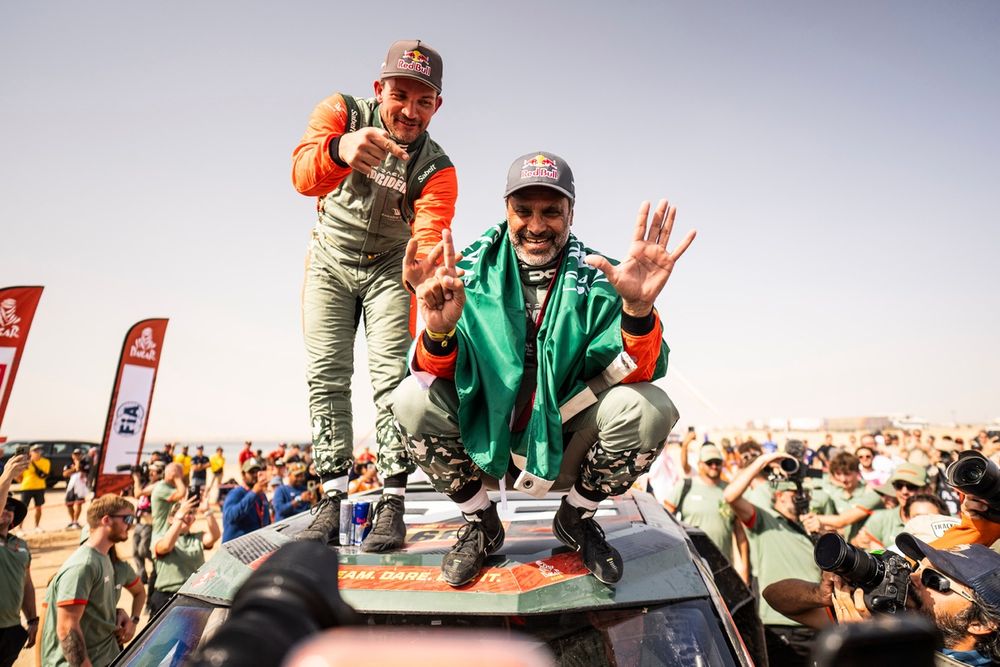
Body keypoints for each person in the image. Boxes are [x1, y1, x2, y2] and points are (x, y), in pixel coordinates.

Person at [391, 151, 691, 586]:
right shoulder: (463, 273)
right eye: (523, 211)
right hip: (484, 448)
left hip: (568, 447)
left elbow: (640, 368)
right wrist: (437, 332)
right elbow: (426, 372)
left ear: (571, 213)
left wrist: (639, 309)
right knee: (410, 397)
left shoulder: (602, 276)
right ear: (506, 210)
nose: (536, 226)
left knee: (651, 408)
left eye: (551, 211)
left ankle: (576, 518)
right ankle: (480, 524)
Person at [292, 39, 457, 552]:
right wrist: (338, 150)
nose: (409, 111)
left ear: (437, 105)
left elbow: (431, 233)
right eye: (400, 95)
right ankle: (330, 497)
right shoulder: (339, 112)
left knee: (392, 378)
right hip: (329, 260)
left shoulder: (437, 168)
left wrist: (420, 269)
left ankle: (393, 502)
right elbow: (301, 176)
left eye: (423, 101)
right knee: (326, 373)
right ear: (378, 89)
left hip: (391, 267)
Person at [723, 451, 822, 666]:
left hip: (816, 622)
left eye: (803, 494)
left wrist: (822, 533)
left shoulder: (810, 525)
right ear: (778, 495)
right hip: (781, 624)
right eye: (794, 494)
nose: (800, 498)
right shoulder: (763, 520)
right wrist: (764, 461)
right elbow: (731, 496)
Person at [39, 495, 137, 667]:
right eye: (127, 518)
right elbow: (67, 628)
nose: (130, 524)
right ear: (106, 520)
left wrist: (118, 612)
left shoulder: (102, 558)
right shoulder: (82, 565)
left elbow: (91, 609)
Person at [663, 443, 742, 564]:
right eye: (709, 462)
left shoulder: (730, 491)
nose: (714, 466)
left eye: (717, 462)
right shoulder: (685, 486)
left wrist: (744, 570)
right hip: (692, 563)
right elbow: (663, 520)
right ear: (700, 464)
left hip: (723, 565)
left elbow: (739, 532)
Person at [150, 496, 220, 615]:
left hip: (194, 595)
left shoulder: (196, 538)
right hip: (167, 597)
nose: (188, 516)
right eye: (185, 513)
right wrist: (180, 518)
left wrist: (207, 511)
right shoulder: (160, 537)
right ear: (171, 519)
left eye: (191, 513)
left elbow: (215, 536)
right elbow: (166, 546)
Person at [1, 455, 36, 667]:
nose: (6, 509)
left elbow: (26, 583)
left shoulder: (20, 545)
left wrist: (32, 619)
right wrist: (6, 476)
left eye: (11, 507)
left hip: (11, 628)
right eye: (3, 503)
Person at [131, 461, 164, 587]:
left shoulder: (158, 485)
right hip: (140, 522)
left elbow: (138, 492)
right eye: (149, 470)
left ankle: (160, 566)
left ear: (160, 473)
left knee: (143, 550)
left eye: (153, 471)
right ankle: (142, 576)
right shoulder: (146, 483)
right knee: (135, 552)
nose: (150, 473)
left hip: (149, 523)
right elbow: (137, 495)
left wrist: (136, 478)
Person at [222, 459, 271, 542]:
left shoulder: (261, 495)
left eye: (257, 472)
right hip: (236, 546)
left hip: (255, 546)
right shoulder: (236, 493)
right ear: (243, 474)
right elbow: (230, 517)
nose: (255, 475)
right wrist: (253, 493)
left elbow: (266, 521)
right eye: (251, 472)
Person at [17, 444, 50, 532]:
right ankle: (20, 528)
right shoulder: (25, 462)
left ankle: (37, 526)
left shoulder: (46, 461)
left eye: (39, 450)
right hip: (26, 487)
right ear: (30, 452)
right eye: (35, 450)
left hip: (39, 487)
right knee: (23, 508)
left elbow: (43, 475)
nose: (37, 452)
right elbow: (19, 477)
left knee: (38, 508)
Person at [151, 463, 187, 538]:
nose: (182, 476)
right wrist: (177, 477)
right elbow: (182, 493)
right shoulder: (162, 487)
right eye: (179, 473)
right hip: (162, 533)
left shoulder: (171, 487)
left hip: (168, 532)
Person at [63, 449, 90, 529]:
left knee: (79, 503)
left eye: (79, 454)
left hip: (80, 487)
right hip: (70, 487)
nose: (77, 456)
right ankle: (72, 521)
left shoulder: (85, 463)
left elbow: (85, 472)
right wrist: (75, 468)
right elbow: (65, 474)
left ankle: (75, 521)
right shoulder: (68, 463)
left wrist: (76, 467)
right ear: (72, 455)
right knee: (69, 504)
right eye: (75, 454)